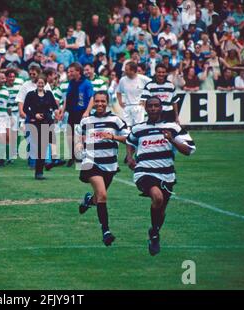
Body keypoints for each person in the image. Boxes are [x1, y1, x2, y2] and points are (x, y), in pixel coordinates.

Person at [126, 96, 196, 256]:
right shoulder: (138, 128)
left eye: (156, 106)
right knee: (157, 198)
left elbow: (189, 150)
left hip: (167, 174)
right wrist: (130, 157)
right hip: (144, 171)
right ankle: (156, 234)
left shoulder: (173, 128)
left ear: (161, 108)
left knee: (161, 209)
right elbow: (130, 141)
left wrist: (172, 140)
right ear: (146, 108)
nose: (153, 109)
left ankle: (154, 232)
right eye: (150, 106)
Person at [77, 91, 129, 246]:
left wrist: (113, 137)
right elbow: (78, 138)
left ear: (107, 102)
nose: (100, 104)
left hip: (110, 165)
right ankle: (106, 231)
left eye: (103, 101)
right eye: (97, 101)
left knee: (99, 197)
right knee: (103, 195)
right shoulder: (86, 121)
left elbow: (129, 138)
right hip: (90, 162)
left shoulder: (116, 120)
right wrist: (78, 146)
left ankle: (88, 201)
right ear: (93, 103)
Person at [23, 74, 58, 180]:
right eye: (39, 82)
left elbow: (55, 106)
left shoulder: (49, 94)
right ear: (36, 83)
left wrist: (55, 113)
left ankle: (48, 164)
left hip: (47, 121)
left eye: (43, 82)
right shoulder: (30, 94)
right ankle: (38, 172)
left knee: (48, 143)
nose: (41, 84)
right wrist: (34, 115)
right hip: (35, 123)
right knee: (39, 147)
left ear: (45, 83)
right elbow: (25, 108)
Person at [61, 62, 94, 167]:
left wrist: (87, 111)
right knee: (70, 135)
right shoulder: (71, 83)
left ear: (78, 71)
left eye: (71, 71)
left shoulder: (87, 83)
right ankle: (71, 157)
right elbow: (67, 97)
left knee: (80, 136)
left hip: (82, 112)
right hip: (72, 112)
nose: (69, 73)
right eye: (69, 71)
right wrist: (63, 110)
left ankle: (80, 157)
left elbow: (91, 98)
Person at [115, 62, 151, 129]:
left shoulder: (143, 79)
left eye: (126, 70)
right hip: (127, 107)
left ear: (133, 70)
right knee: (127, 128)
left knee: (138, 128)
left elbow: (153, 87)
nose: (125, 71)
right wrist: (120, 102)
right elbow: (118, 92)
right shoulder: (123, 80)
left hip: (139, 107)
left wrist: (146, 100)